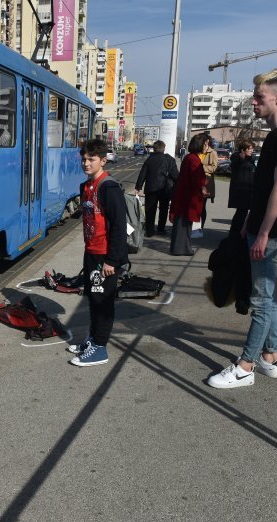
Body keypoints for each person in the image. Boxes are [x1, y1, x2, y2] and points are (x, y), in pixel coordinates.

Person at [208, 68, 277, 389]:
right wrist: (250, 221)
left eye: (259, 97)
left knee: (261, 301)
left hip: (271, 232)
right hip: (262, 227)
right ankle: (270, 357)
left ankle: (245, 367)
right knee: (268, 295)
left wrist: (262, 232)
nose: (253, 102)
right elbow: (265, 190)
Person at [67, 139, 128, 367]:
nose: (86, 163)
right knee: (93, 297)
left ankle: (100, 349)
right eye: (83, 159)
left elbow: (119, 226)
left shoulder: (108, 187)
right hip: (92, 252)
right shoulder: (86, 186)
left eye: (91, 159)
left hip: (106, 256)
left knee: (103, 301)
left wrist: (112, 259)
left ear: (103, 160)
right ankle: (93, 339)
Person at [168, 134, 209, 256]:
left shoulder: (190, 157)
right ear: (200, 145)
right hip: (188, 197)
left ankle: (181, 248)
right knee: (184, 223)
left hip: (184, 195)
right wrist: (203, 186)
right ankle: (181, 249)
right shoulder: (194, 159)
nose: (207, 147)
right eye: (206, 144)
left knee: (183, 223)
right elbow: (196, 179)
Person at [134, 140, 178, 237]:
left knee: (150, 209)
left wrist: (138, 187)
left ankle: (149, 231)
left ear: (153, 149)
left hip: (151, 188)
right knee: (164, 209)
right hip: (165, 188)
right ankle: (161, 229)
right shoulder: (170, 159)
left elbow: (143, 174)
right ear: (164, 148)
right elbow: (175, 175)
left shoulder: (149, 159)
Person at [228, 139, 256, 236]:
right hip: (241, 191)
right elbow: (234, 166)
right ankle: (234, 233)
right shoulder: (237, 158)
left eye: (252, 148)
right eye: (250, 148)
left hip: (248, 190)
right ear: (244, 150)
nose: (252, 150)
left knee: (242, 212)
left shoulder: (250, 160)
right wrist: (241, 158)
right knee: (241, 212)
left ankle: (237, 232)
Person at [193, 135, 218, 238]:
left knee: (202, 206)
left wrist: (200, 167)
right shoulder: (196, 151)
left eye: (204, 141)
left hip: (207, 181)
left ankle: (200, 227)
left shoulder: (212, 152)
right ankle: (193, 226)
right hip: (195, 180)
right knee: (194, 204)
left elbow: (214, 168)